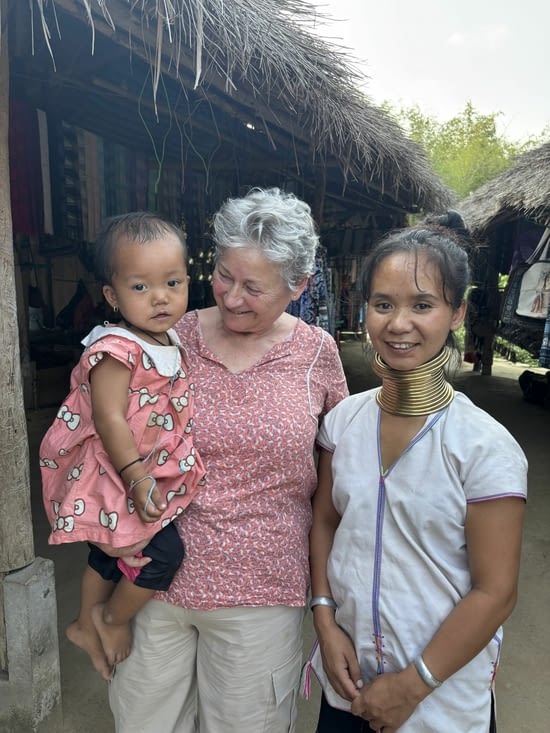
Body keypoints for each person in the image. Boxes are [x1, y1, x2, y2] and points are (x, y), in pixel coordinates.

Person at [105, 187, 349, 733]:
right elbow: (104, 435)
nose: (233, 297)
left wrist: (326, 597)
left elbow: (334, 483)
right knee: (144, 722)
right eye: (223, 275)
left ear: (298, 286)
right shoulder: (167, 337)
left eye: (254, 287)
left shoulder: (318, 354)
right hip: (153, 582)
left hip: (263, 592)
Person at [307, 213, 527, 732]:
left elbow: (495, 591)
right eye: (383, 304)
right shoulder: (343, 422)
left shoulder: (484, 447)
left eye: (422, 305)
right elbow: (325, 523)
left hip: (440, 701)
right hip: (349, 679)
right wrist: (324, 619)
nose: (398, 323)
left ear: (457, 313)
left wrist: (411, 687)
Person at [40, 212, 205, 681]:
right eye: (140, 287)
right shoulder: (116, 347)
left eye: (173, 282)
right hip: (119, 470)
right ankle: (111, 619)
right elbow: (109, 416)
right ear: (111, 296)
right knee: (159, 554)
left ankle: (83, 624)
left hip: (145, 469)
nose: (160, 297)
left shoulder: (169, 338)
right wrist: (134, 475)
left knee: (115, 547)